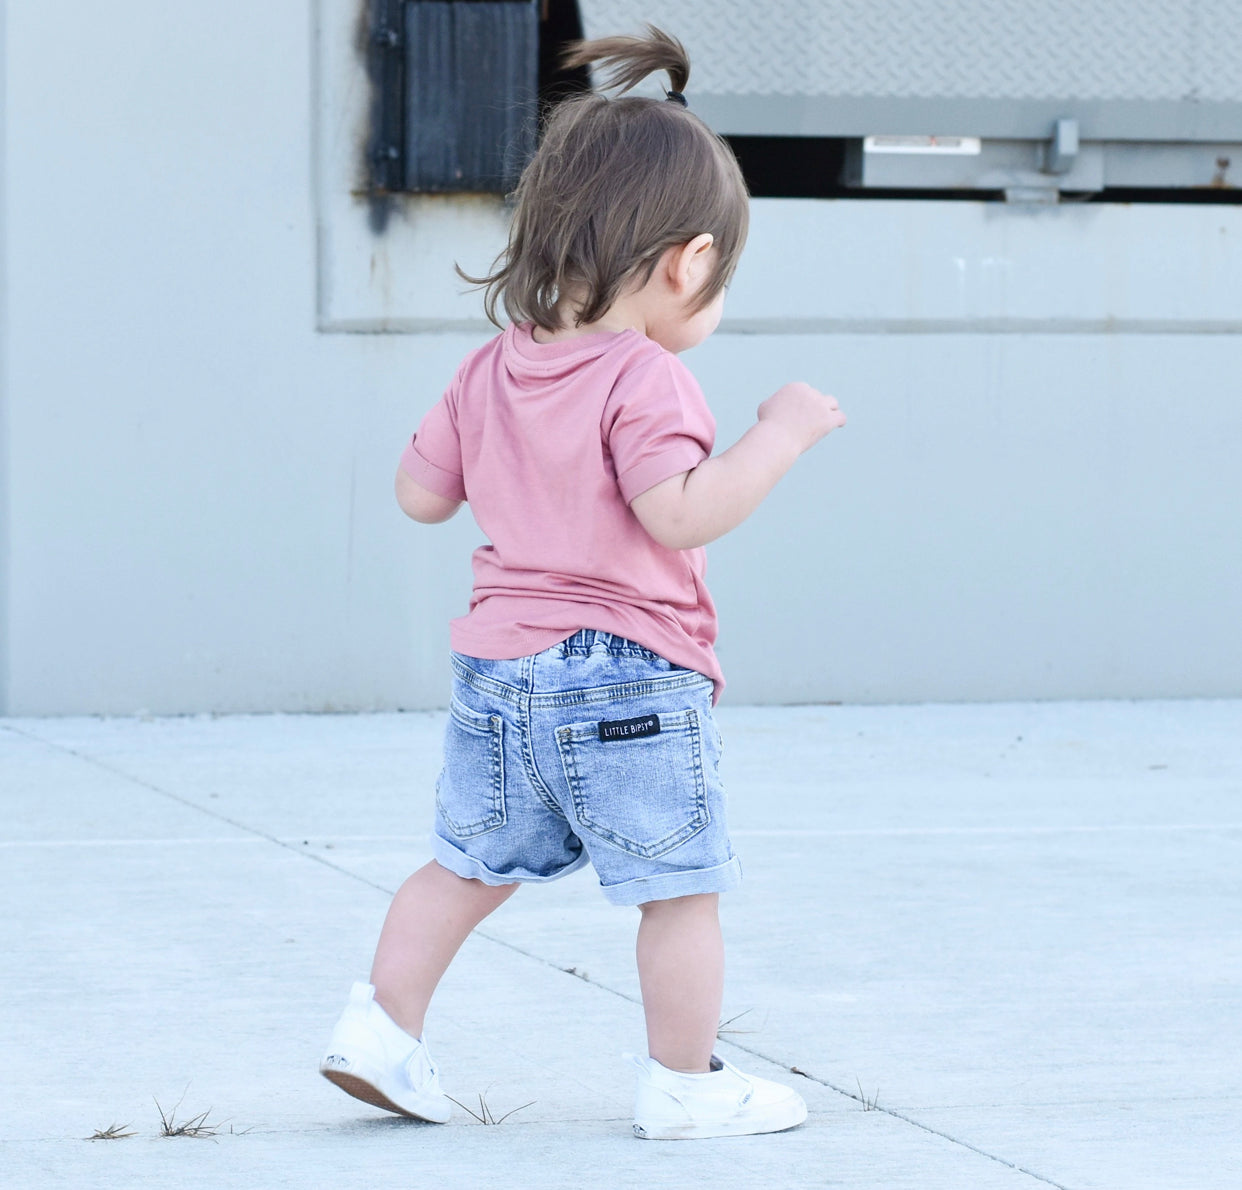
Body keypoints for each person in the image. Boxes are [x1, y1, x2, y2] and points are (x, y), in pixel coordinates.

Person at [319, 26, 845, 1141]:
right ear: (685, 263)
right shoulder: (644, 376)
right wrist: (781, 436)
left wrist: (472, 428)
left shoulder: (492, 363)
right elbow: (681, 510)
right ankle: (685, 1084)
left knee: (465, 864)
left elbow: (420, 495)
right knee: (677, 886)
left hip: (499, 670)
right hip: (624, 676)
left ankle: (381, 1030)